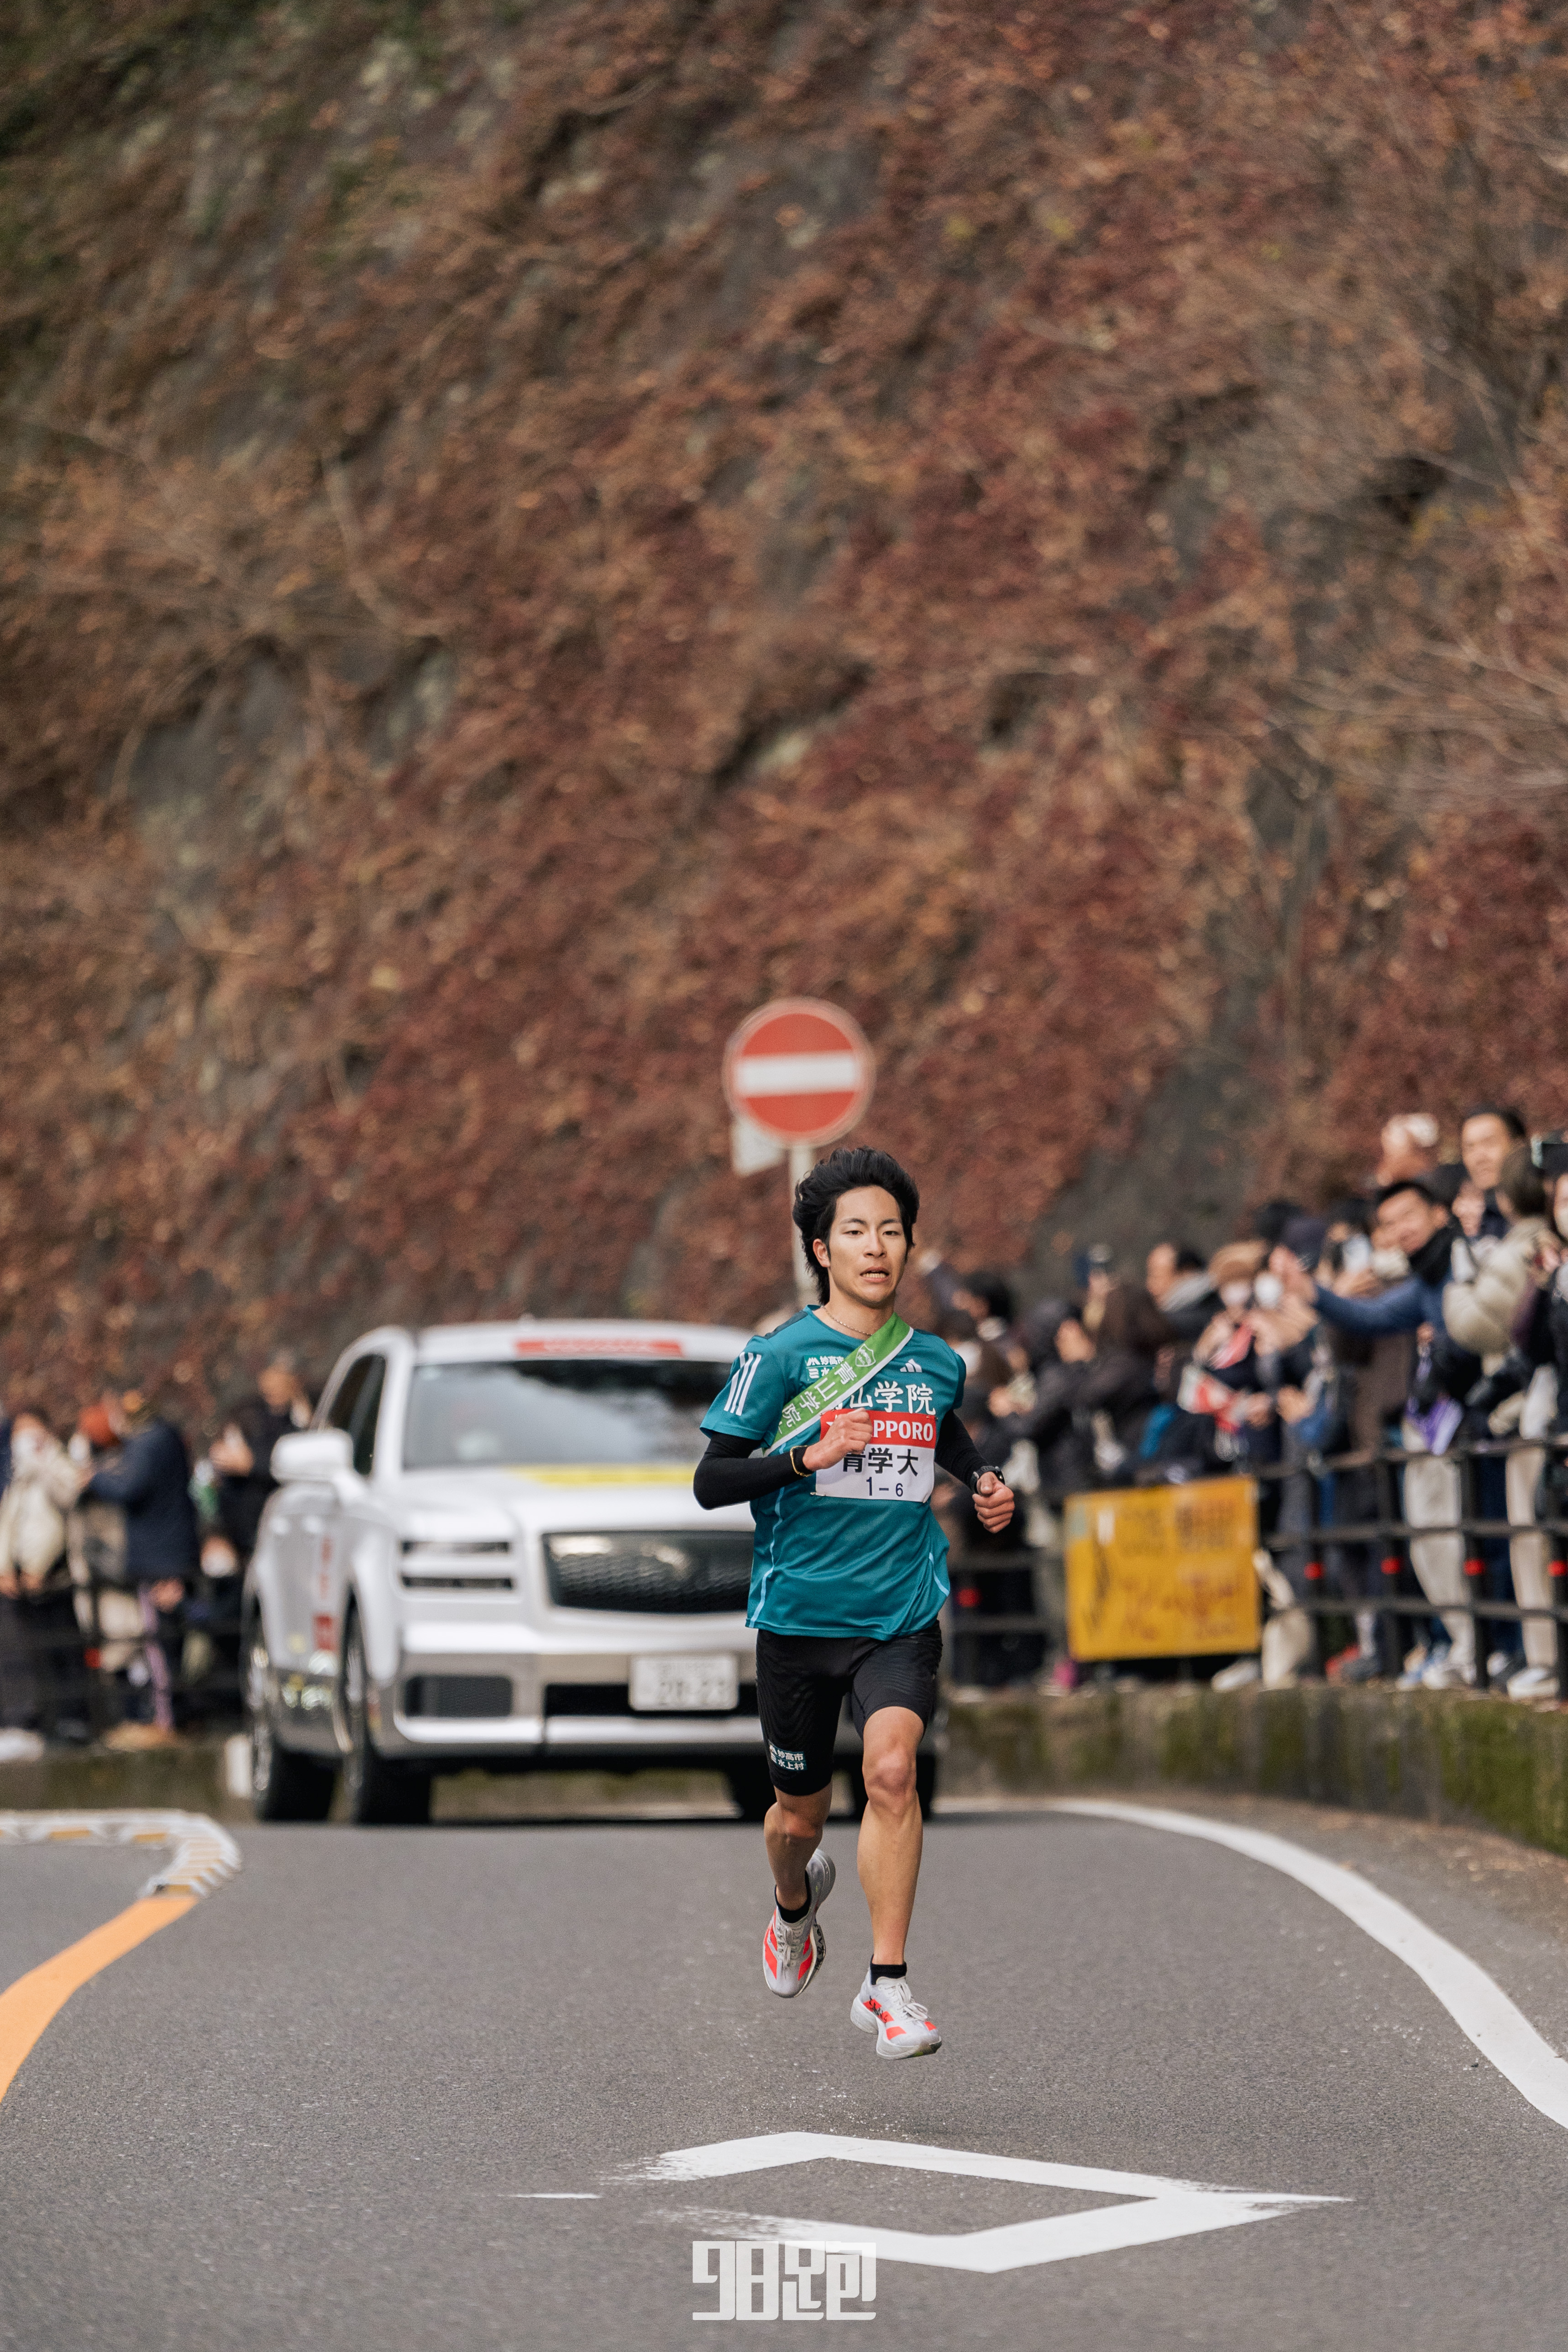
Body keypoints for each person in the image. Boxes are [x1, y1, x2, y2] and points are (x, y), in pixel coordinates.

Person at [693, 1146, 1014, 2059]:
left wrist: (982, 1479)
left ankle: (887, 1985)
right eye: (855, 1232)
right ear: (820, 1250)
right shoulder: (780, 1356)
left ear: (908, 1246)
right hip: (798, 1616)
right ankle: (794, 1905)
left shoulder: (934, 1360)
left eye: (890, 1231)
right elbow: (712, 1479)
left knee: (891, 1773)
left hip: (899, 1609)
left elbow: (941, 1431)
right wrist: (804, 1455)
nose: (876, 1246)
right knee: (797, 1818)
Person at [79, 1390, 200, 1748]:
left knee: (160, 1644)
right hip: (171, 1550)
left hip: (159, 1555)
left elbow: (131, 1487)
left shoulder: (148, 1443)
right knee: (168, 1640)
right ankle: (174, 1715)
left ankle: (167, 1720)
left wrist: (95, 1479)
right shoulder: (168, 1437)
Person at [0, 1407, 89, 1741]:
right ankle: (45, 1723)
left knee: (64, 1648)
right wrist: (4, 1567)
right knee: (35, 1654)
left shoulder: (58, 1465)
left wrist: (46, 1462)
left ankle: (74, 1722)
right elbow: (7, 1523)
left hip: (55, 1577)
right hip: (23, 1580)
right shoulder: (17, 1476)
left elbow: (66, 1501)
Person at [1455, 1104, 1527, 1246]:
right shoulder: (1476, 1228)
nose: (1479, 1158)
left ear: (1519, 1145)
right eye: (1469, 1148)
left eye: (1489, 1143)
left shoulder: (1551, 1206)